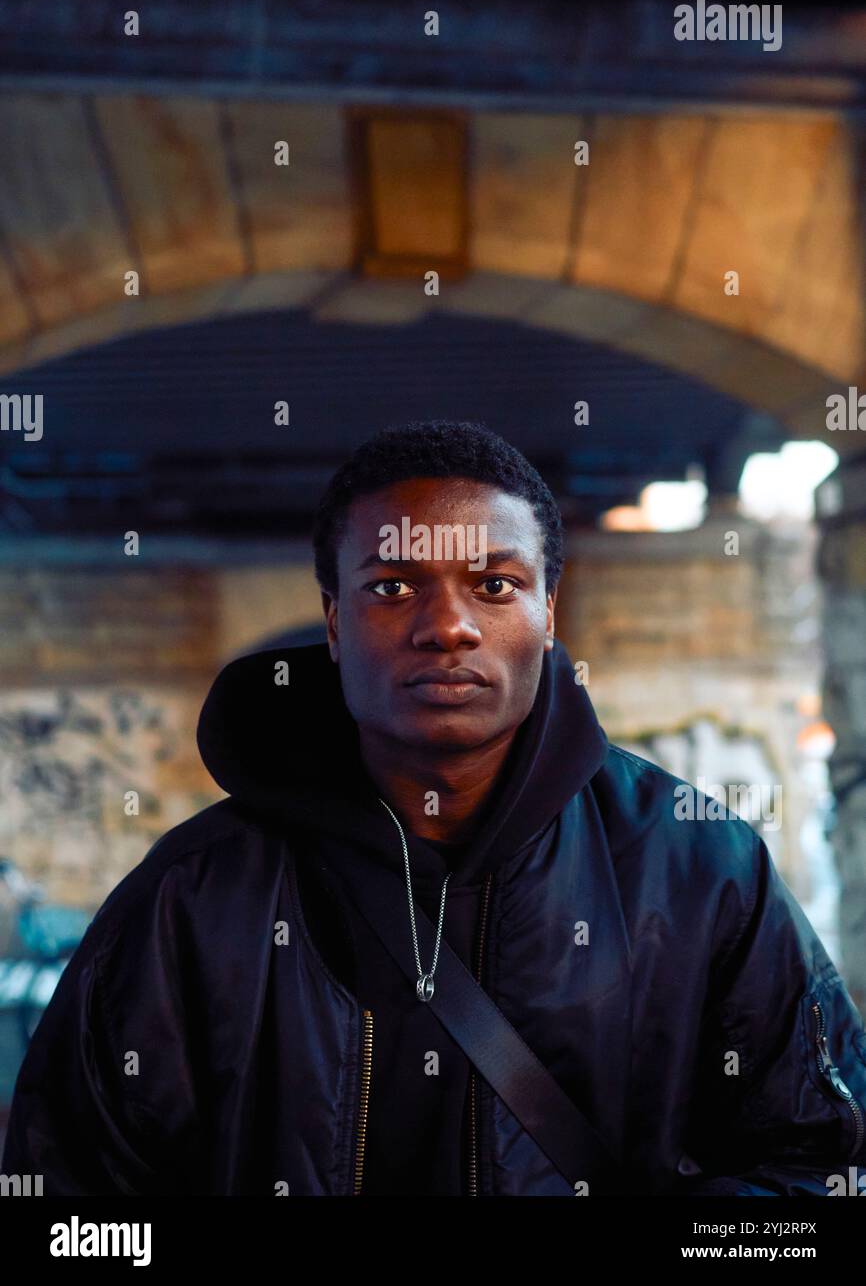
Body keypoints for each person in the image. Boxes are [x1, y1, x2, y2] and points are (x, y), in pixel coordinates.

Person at [3, 419, 865, 1196]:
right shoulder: (195, 895)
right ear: (334, 624)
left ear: (548, 612)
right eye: (392, 588)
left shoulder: (697, 867)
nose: (447, 625)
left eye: (494, 585)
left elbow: (820, 1168)